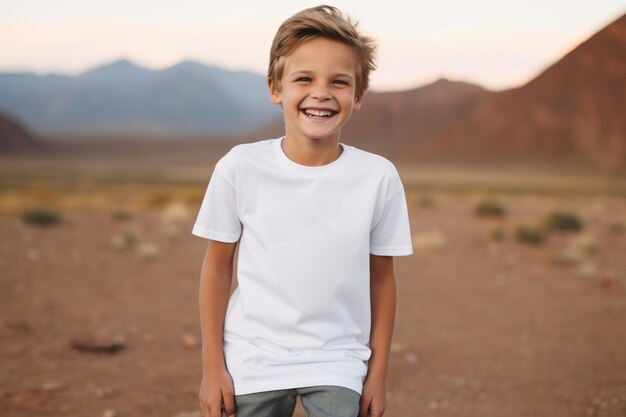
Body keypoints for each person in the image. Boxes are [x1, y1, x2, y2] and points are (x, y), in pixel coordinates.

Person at [193, 5, 413, 417]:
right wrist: (211, 368)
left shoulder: (378, 177)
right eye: (304, 79)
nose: (321, 93)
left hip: (338, 360)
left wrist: (377, 375)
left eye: (340, 82)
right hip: (251, 357)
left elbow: (383, 280)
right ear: (276, 88)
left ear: (357, 96)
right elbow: (217, 267)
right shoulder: (240, 167)